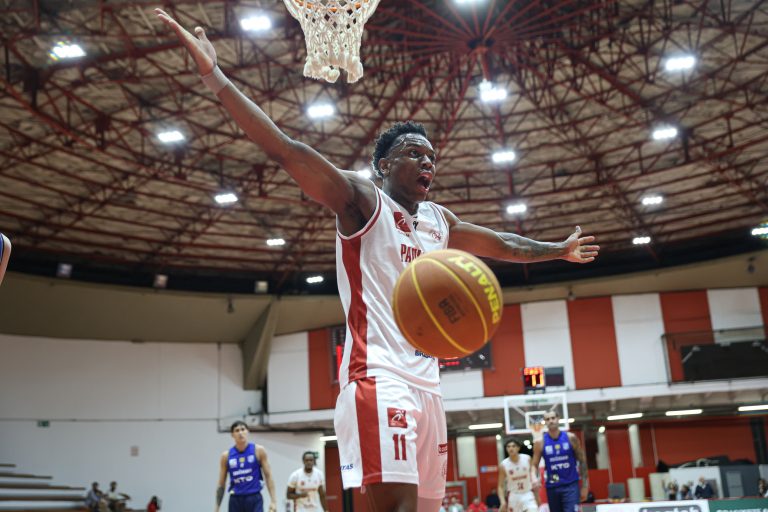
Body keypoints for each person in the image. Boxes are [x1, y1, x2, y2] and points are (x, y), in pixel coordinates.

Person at [155, 10, 599, 510]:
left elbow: (500, 242)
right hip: (378, 377)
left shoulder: (439, 221)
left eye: (432, 157)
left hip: (429, 386)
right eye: (415, 153)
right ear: (384, 165)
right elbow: (286, 150)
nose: (428, 162)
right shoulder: (361, 201)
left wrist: (557, 250)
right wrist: (215, 76)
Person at [532, 411, 589, 512]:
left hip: (571, 485)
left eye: (553, 418)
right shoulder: (540, 442)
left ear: (558, 419)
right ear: (545, 422)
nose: (551, 421)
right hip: (552, 486)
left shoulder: (571, 438)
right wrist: (534, 478)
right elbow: (534, 465)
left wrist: (585, 485)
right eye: (548, 419)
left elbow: (582, 461)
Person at [216, 420, 277, 512]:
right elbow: (221, 483)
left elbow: (268, 476)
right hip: (236, 499)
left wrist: (273, 501)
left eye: (243, 429)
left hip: (254, 498)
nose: (240, 433)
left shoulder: (258, 450)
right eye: (237, 430)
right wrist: (217, 508)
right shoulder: (226, 456)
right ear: (232, 435)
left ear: (248, 431)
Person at [498, 438, 538, 512]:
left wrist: (534, 476)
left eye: (513, 446)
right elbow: (500, 486)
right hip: (514, 495)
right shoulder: (504, 465)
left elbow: (532, 467)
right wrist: (502, 501)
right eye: (508, 447)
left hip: (527, 493)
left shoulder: (527, 458)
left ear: (518, 448)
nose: (511, 448)